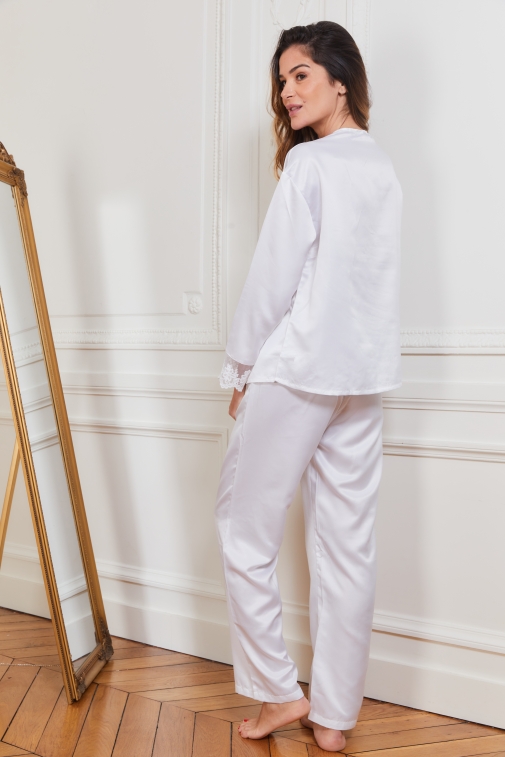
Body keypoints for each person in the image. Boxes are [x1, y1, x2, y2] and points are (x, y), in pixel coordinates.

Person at [215, 20, 402, 752]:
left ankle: (277, 693)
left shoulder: (310, 164)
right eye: (282, 80)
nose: (287, 92)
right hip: (361, 377)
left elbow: (273, 279)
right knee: (347, 547)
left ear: (340, 81)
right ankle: (333, 719)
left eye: (300, 75)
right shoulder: (381, 166)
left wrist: (240, 367)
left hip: (296, 371)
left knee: (243, 532)